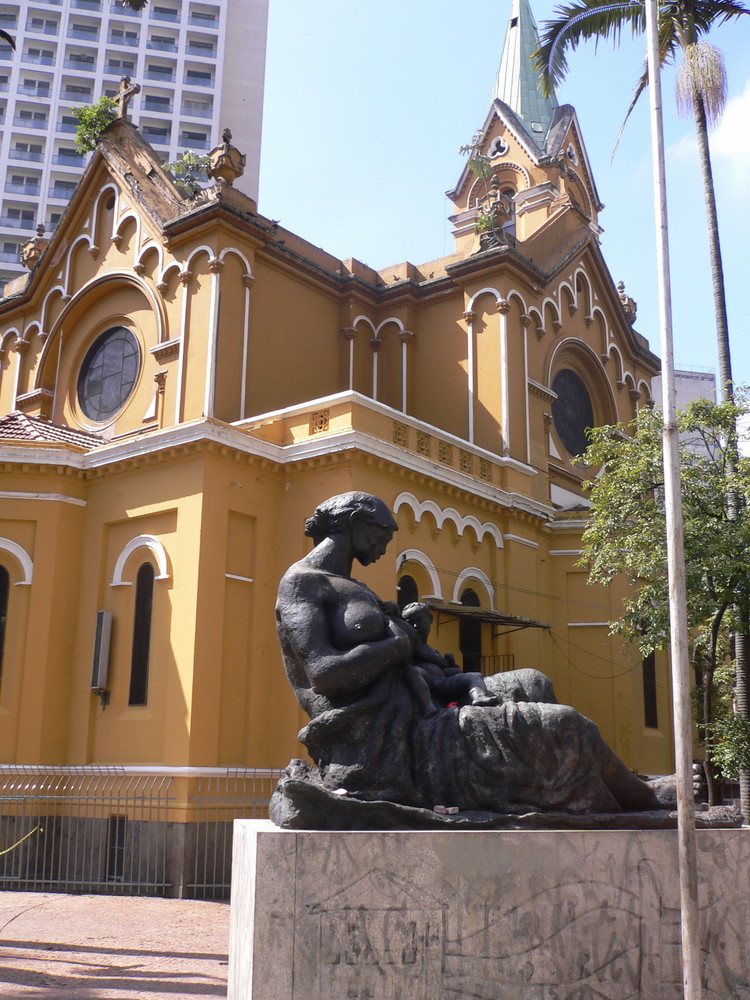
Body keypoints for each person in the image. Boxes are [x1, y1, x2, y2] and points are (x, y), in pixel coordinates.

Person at [275, 491, 671, 815]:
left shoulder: (352, 585)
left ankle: (622, 790)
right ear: (352, 523)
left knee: (533, 681)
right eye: (381, 532)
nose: (384, 544)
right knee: (567, 724)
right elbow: (324, 674)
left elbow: (402, 655)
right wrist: (396, 645)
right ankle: (643, 800)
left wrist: (415, 637)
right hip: (381, 732)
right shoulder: (302, 584)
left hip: (418, 696)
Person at [400, 602, 498, 715]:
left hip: (444, 683)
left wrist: (452, 667)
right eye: (410, 623)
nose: (416, 626)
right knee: (413, 671)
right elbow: (422, 653)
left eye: (419, 620)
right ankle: (428, 708)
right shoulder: (413, 645)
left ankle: (479, 697)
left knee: (474, 676)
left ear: (430, 619)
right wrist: (393, 608)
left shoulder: (434, 651)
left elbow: (453, 671)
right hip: (429, 682)